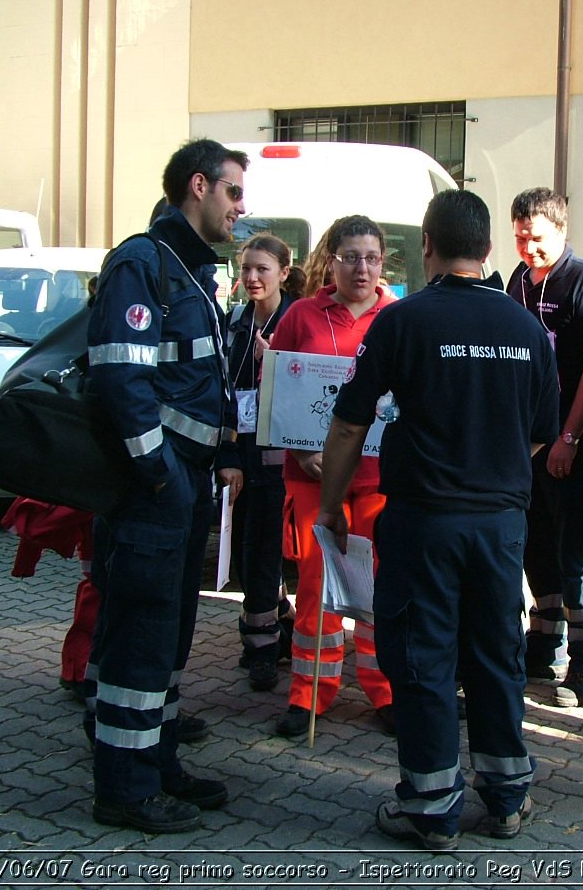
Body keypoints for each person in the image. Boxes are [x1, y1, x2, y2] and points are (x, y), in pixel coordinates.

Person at [315, 188, 559, 850]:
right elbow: (541, 431)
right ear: (486, 250)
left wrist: (331, 504)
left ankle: (430, 806)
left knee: (422, 657)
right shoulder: (527, 328)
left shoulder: (404, 322)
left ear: (426, 246)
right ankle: (508, 798)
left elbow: (349, 424)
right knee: (496, 654)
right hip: (500, 525)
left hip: (425, 524)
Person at [83, 138, 247, 834]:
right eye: (235, 192)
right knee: (138, 642)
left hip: (183, 488)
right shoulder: (142, 263)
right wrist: (160, 477)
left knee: (169, 638)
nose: (243, 207)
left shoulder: (190, 271)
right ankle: (124, 789)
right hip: (154, 493)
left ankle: (160, 764)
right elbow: (120, 380)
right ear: (199, 186)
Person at [267, 215, 395, 740]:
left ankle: (384, 692)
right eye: (350, 257)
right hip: (312, 479)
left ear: (383, 263)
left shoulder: (400, 318)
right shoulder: (300, 315)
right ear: (332, 261)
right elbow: (273, 392)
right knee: (316, 590)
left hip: (379, 480)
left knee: (379, 592)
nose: (361, 267)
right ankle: (307, 696)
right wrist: (298, 453)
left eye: (371, 257)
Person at [507, 187, 583, 708]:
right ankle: (543, 646)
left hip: (579, 445)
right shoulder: (518, 283)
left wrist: (569, 438)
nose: (529, 247)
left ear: (562, 231)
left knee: (580, 553)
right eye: (521, 237)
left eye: (539, 237)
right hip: (533, 446)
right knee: (539, 548)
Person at [224, 235, 297, 692]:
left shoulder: (299, 319)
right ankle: (266, 635)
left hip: (289, 456)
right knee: (252, 552)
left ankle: (267, 642)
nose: (252, 277)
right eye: (246, 268)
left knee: (272, 550)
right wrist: (229, 457)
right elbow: (227, 394)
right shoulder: (235, 322)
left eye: (262, 269)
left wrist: (276, 362)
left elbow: (316, 386)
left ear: (284, 273)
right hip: (248, 453)